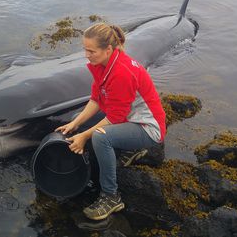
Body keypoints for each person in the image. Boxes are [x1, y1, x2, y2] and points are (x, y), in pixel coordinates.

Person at [55, 23, 166, 221]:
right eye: (85, 49)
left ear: (108, 49)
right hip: (130, 118)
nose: (87, 55)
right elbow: (96, 99)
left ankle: (111, 196)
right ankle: (131, 149)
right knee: (77, 121)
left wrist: (84, 136)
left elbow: (115, 118)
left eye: (91, 51)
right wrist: (76, 125)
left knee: (100, 138)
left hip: (148, 127)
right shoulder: (103, 65)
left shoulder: (122, 72)